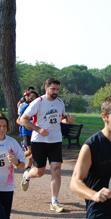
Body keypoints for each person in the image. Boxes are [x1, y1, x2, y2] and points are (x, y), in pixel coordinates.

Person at [19, 78, 75, 212]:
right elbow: (23, 120)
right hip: (39, 140)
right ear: (46, 88)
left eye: (57, 89)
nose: (55, 92)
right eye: (53, 89)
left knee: (56, 170)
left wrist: (68, 120)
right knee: (39, 172)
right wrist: (38, 129)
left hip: (55, 140)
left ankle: (54, 201)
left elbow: (61, 118)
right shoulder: (38, 102)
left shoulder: (60, 102)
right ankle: (27, 176)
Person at [17, 90, 38, 170]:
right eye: (30, 97)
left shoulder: (39, 108)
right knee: (29, 151)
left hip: (36, 132)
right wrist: (25, 124)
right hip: (26, 132)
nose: (31, 98)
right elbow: (18, 120)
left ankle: (29, 166)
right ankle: (16, 159)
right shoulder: (25, 108)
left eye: (33, 97)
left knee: (35, 150)